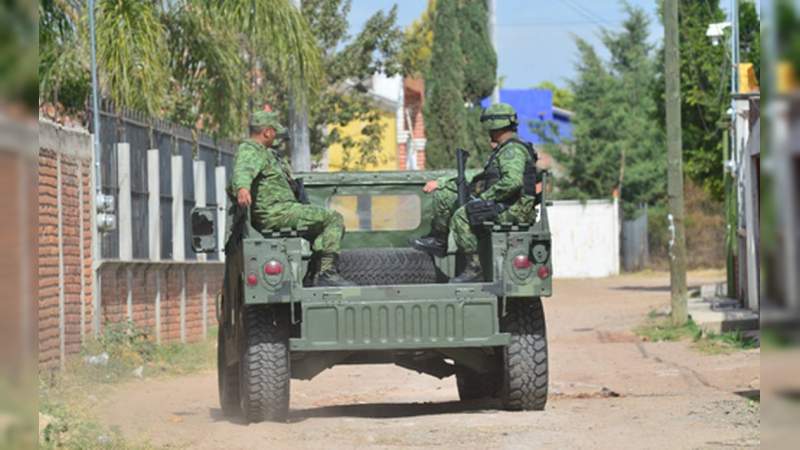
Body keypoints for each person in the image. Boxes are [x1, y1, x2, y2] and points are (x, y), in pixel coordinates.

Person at [411, 103, 538, 282]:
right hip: (504, 203)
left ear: (495, 125)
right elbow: (483, 176)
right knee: (446, 195)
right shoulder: (504, 149)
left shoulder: (512, 151)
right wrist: (443, 183)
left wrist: (484, 198)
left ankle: (475, 268)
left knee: (463, 215)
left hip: (513, 209)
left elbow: (513, 182)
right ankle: (439, 241)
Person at [231, 110, 354, 287]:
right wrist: (243, 188)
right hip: (277, 212)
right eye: (274, 132)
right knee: (333, 218)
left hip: (281, 210)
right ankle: (327, 273)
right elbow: (244, 169)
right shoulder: (251, 150)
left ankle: (314, 274)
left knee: (321, 230)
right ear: (267, 132)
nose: (275, 137)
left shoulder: (265, 153)